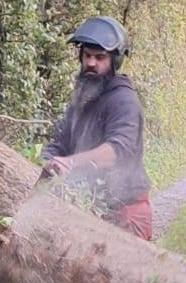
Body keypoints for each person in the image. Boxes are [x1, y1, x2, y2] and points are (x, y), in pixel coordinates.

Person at [39, 15, 153, 239]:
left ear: (114, 61)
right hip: (90, 211)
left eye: (100, 57)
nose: (91, 63)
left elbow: (117, 152)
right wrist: (42, 164)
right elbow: (60, 144)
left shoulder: (124, 101)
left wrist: (71, 163)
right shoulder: (83, 99)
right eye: (87, 55)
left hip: (125, 214)